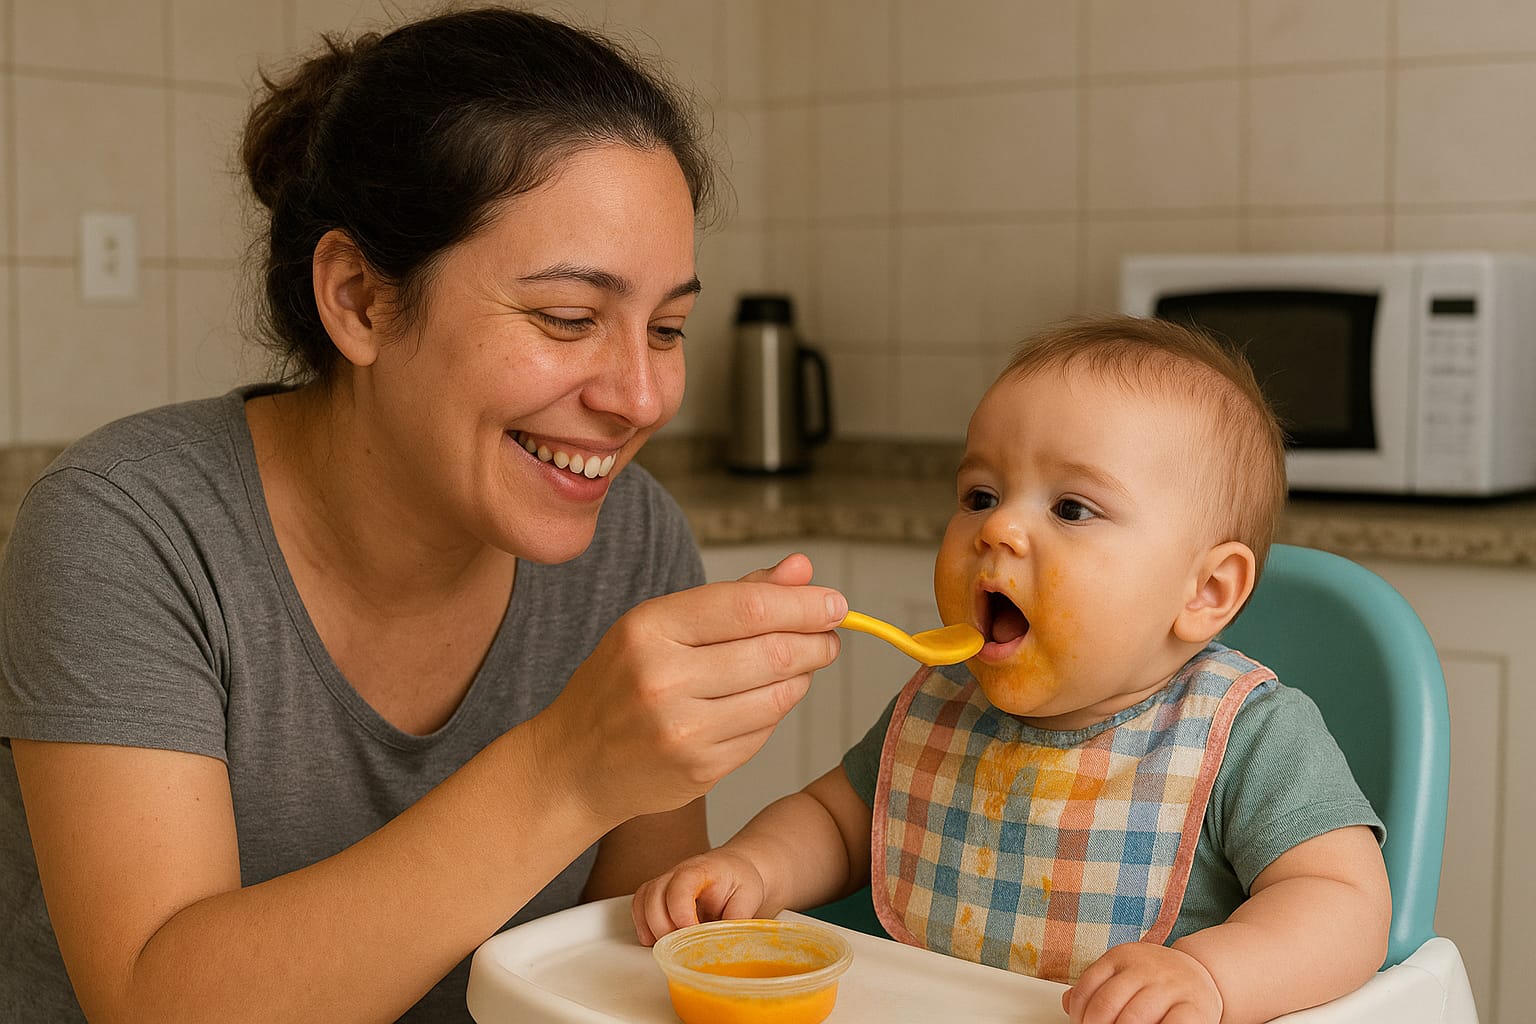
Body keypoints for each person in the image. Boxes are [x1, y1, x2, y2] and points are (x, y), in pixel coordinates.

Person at [0, 8, 848, 1023]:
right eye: (568, 319)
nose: (642, 396)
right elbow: (157, 1002)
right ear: (358, 298)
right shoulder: (129, 527)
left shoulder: (634, 536)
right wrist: (568, 766)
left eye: (666, 328)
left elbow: (631, 965)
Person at [633, 314, 1393, 1024]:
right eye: (980, 494)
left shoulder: (1245, 736)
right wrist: (753, 868)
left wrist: (1211, 977)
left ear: (1205, 591)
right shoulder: (942, 703)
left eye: (1070, 509)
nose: (997, 528)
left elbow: (1342, 901)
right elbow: (839, 822)